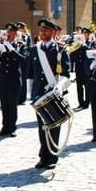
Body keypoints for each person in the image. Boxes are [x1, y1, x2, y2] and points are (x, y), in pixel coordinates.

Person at [28, 19, 71, 170]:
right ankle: (43, 156)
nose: (42, 33)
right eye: (41, 30)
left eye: (46, 30)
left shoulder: (60, 49)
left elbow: (66, 73)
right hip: (39, 93)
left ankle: (52, 156)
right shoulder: (35, 49)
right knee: (42, 126)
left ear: (53, 32)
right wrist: (30, 92)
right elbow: (31, 74)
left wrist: (60, 86)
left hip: (54, 92)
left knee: (54, 124)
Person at [0, 23, 27, 137]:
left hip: (14, 79)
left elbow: (23, 60)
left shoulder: (20, 45)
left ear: (15, 33)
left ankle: (12, 127)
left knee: (12, 104)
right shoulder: (1, 45)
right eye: (6, 32)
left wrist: (11, 49)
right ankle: (5, 127)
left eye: (10, 32)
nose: (8, 34)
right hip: (3, 78)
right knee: (4, 104)